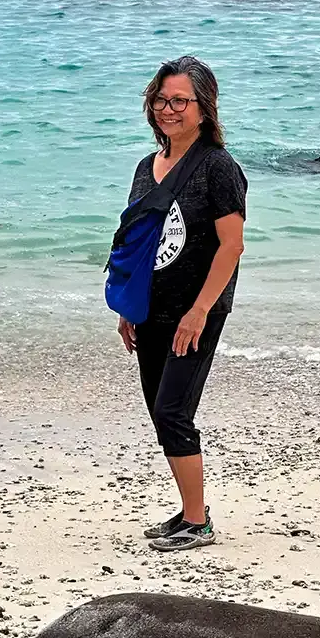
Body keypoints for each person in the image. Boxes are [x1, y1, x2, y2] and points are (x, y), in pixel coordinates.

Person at [117, 56, 247, 551]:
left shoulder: (218, 168)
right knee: (158, 409)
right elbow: (139, 242)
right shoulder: (145, 168)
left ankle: (198, 523)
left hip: (196, 312)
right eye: (160, 99)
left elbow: (231, 246)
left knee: (173, 410)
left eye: (179, 101)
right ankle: (191, 511)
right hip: (151, 308)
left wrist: (199, 311)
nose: (167, 109)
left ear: (203, 107)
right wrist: (128, 306)